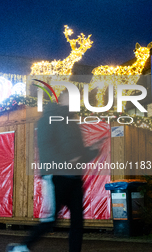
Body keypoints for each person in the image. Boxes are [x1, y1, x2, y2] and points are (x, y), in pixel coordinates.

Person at [6, 91, 104, 252]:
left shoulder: (72, 121)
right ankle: (21, 247)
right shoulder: (48, 119)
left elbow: (78, 154)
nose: (76, 101)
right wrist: (67, 160)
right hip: (56, 177)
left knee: (77, 222)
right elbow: (46, 148)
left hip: (74, 178)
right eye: (72, 98)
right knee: (50, 220)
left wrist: (92, 150)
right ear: (63, 99)